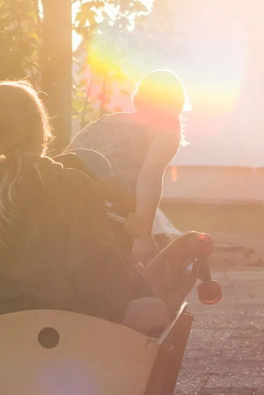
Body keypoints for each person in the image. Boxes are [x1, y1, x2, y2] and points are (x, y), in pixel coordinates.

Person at [0, 80, 203, 336]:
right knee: (156, 311)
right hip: (68, 325)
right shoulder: (72, 184)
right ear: (41, 129)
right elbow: (97, 273)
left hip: (2, 321)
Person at [67, 70, 186, 265]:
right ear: (178, 102)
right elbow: (149, 179)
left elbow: (65, 158)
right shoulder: (166, 132)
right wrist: (143, 236)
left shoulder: (104, 122)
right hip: (110, 216)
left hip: (66, 209)